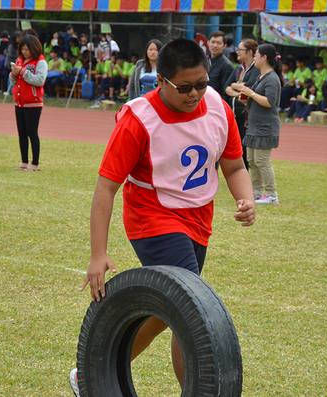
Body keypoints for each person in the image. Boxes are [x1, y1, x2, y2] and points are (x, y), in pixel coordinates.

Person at [70, 38, 255, 397]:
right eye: (184, 87)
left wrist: (245, 198)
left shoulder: (217, 105)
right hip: (153, 218)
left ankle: (90, 373)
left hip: (199, 221)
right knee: (193, 308)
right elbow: (106, 188)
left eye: (201, 84)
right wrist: (98, 254)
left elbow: (233, 166)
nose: (194, 94)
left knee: (167, 313)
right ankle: (199, 389)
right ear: (161, 81)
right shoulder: (139, 119)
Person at [235, 43, 282, 205]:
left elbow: (270, 102)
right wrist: (245, 96)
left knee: (262, 161)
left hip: (265, 126)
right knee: (253, 161)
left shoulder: (272, 78)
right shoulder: (261, 76)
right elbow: (254, 98)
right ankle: (256, 192)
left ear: (264, 58)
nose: (254, 58)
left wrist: (251, 93)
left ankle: (271, 195)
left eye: (256, 55)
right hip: (255, 125)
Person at [10, 34, 47, 172]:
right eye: (23, 49)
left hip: (33, 103)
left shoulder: (40, 62)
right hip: (19, 103)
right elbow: (14, 81)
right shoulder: (20, 60)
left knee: (32, 132)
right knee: (22, 133)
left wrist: (23, 72)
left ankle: (35, 163)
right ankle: (24, 161)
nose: (24, 52)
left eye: (27, 49)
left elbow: (39, 80)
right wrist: (14, 73)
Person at [226, 38, 260, 171]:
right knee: (235, 145)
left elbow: (249, 86)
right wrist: (237, 91)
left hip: (246, 114)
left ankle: (244, 172)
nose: (237, 52)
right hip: (234, 112)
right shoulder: (238, 68)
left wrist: (235, 86)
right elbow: (227, 87)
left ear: (250, 52)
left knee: (245, 148)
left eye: (240, 50)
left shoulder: (256, 69)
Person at [207, 30, 234, 101]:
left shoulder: (227, 65)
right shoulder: (203, 61)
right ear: (208, 43)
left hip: (216, 103)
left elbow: (225, 92)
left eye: (219, 43)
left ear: (224, 46)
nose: (215, 45)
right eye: (213, 42)